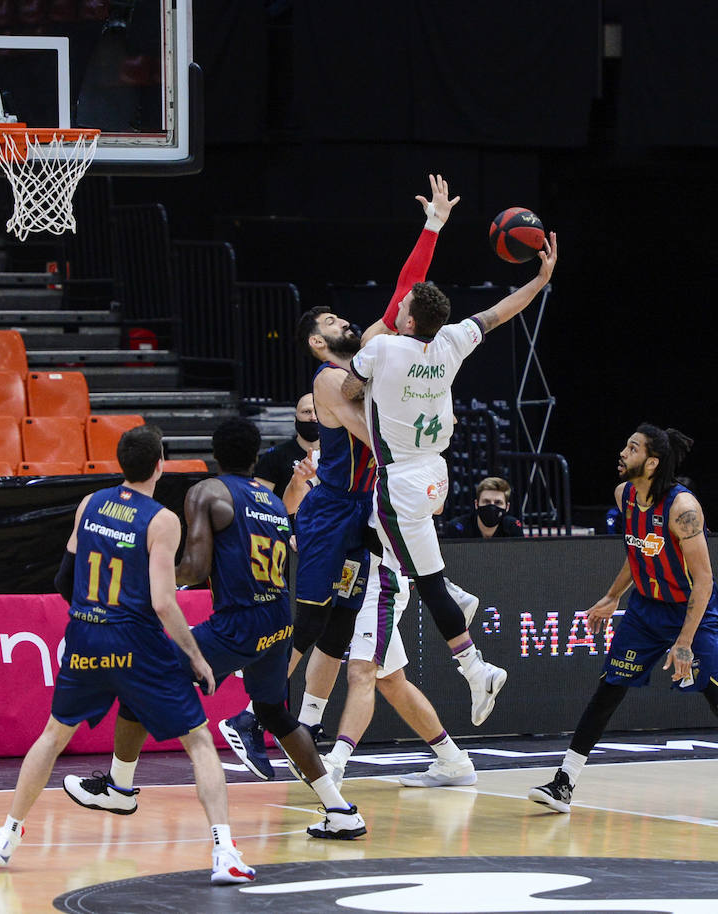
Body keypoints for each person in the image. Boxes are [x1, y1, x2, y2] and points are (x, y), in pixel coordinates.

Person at [221, 174, 480, 767]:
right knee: (309, 622)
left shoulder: (373, 352)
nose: (346, 322)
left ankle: (303, 729)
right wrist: (425, 423)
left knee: (340, 626)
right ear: (317, 342)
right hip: (334, 509)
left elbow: (406, 293)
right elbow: (387, 439)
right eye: (334, 321)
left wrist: (433, 227)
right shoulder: (332, 380)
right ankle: (251, 715)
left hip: (366, 508)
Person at [0, 425, 256, 884]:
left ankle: (6, 835)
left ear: (122, 462)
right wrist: (196, 656)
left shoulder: (89, 505)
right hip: (137, 643)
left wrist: (93, 614)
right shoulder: (162, 520)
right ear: (160, 464)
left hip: (86, 635)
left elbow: (63, 579)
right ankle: (224, 852)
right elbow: (164, 603)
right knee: (200, 742)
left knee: (52, 735)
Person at [66, 418, 366, 838]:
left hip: (238, 623)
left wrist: (144, 572)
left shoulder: (207, 492)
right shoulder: (274, 501)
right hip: (279, 622)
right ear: (256, 457)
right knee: (274, 712)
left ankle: (119, 788)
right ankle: (340, 810)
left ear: (214, 455)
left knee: (140, 678)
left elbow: (195, 567)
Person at [340, 228, 558, 726]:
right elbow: (502, 311)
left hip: (400, 482)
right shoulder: (453, 340)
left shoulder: (383, 350)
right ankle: (456, 593)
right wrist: (541, 278)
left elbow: (350, 390)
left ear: (409, 318)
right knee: (393, 547)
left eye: (403, 304)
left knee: (422, 580)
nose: (395, 306)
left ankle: (475, 668)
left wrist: (362, 370)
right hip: (436, 472)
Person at [527, 425, 718, 822]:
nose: (622, 451)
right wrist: (614, 596)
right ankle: (563, 783)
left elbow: (704, 580)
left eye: (632, 447)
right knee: (608, 690)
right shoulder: (624, 495)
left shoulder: (683, 509)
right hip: (646, 610)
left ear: (652, 462)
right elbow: (637, 555)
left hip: (692, 613)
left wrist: (684, 642)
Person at [317, 553, 478, 787]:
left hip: (379, 578)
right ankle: (453, 760)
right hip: (354, 575)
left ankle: (335, 763)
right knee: (392, 681)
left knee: (362, 671)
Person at [252, 393, 319, 499]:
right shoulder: (274, 456)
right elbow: (260, 502)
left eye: (318, 411)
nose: (313, 417)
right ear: (295, 418)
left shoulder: (339, 455)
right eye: (307, 412)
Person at [443, 476, 525, 539]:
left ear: (507, 507)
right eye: (486, 501)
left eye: (498, 502)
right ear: (476, 504)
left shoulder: (513, 527)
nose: (492, 506)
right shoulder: (457, 528)